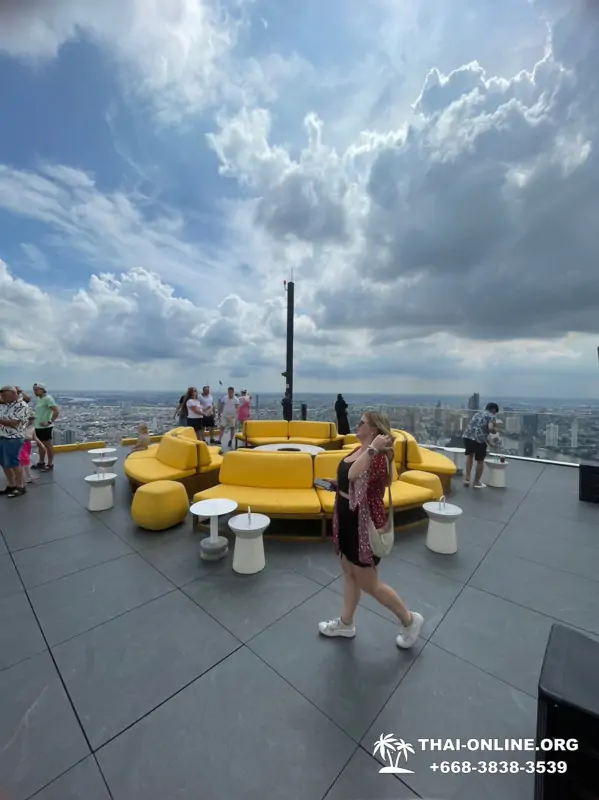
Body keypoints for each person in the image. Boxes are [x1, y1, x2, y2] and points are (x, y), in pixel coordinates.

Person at [318, 409, 424, 648]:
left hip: (363, 525)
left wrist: (373, 448)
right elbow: (348, 477)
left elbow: (354, 473)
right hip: (347, 518)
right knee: (349, 571)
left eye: (362, 422)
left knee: (369, 583)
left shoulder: (378, 457)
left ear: (375, 429)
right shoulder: (360, 450)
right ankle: (346, 623)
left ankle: (409, 620)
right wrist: (337, 484)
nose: (357, 425)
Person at [0, 385, 29, 497]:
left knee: (14, 462)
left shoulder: (21, 406)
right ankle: (11, 485)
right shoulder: (6, 404)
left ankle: (20, 486)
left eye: (5, 395)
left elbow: (13, 423)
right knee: (4, 462)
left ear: (13, 394)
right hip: (2, 436)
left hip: (14, 438)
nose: (3, 398)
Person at [463, 402, 499, 488]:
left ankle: (467, 479)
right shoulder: (491, 416)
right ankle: (476, 482)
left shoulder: (477, 414)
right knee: (480, 461)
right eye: (495, 412)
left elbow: (479, 430)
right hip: (479, 441)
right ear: (493, 410)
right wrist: (495, 431)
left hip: (467, 437)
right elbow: (490, 428)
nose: (495, 414)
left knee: (470, 456)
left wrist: (489, 442)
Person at [32, 382, 59, 471]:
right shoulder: (40, 399)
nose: (35, 392)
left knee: (48, 445)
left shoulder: (48, 399)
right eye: (34, 390)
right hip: (38, 426)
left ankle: (50, 464)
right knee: (40, 445)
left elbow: (56, 411)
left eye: (36, 390)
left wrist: (49, 422)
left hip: (45, 427)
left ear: (43, 390)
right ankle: (41, 462)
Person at [19, 409, 37, 485]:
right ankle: (28, 477)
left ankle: (26, 476)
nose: (31, 421)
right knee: (25, 460)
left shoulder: (32, 428)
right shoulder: (21, 427)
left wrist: (41, 445)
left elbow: (34, 437)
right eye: (29, 419)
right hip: (21, 444)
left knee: (24, 461)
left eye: (32, 419)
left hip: (27, 444)